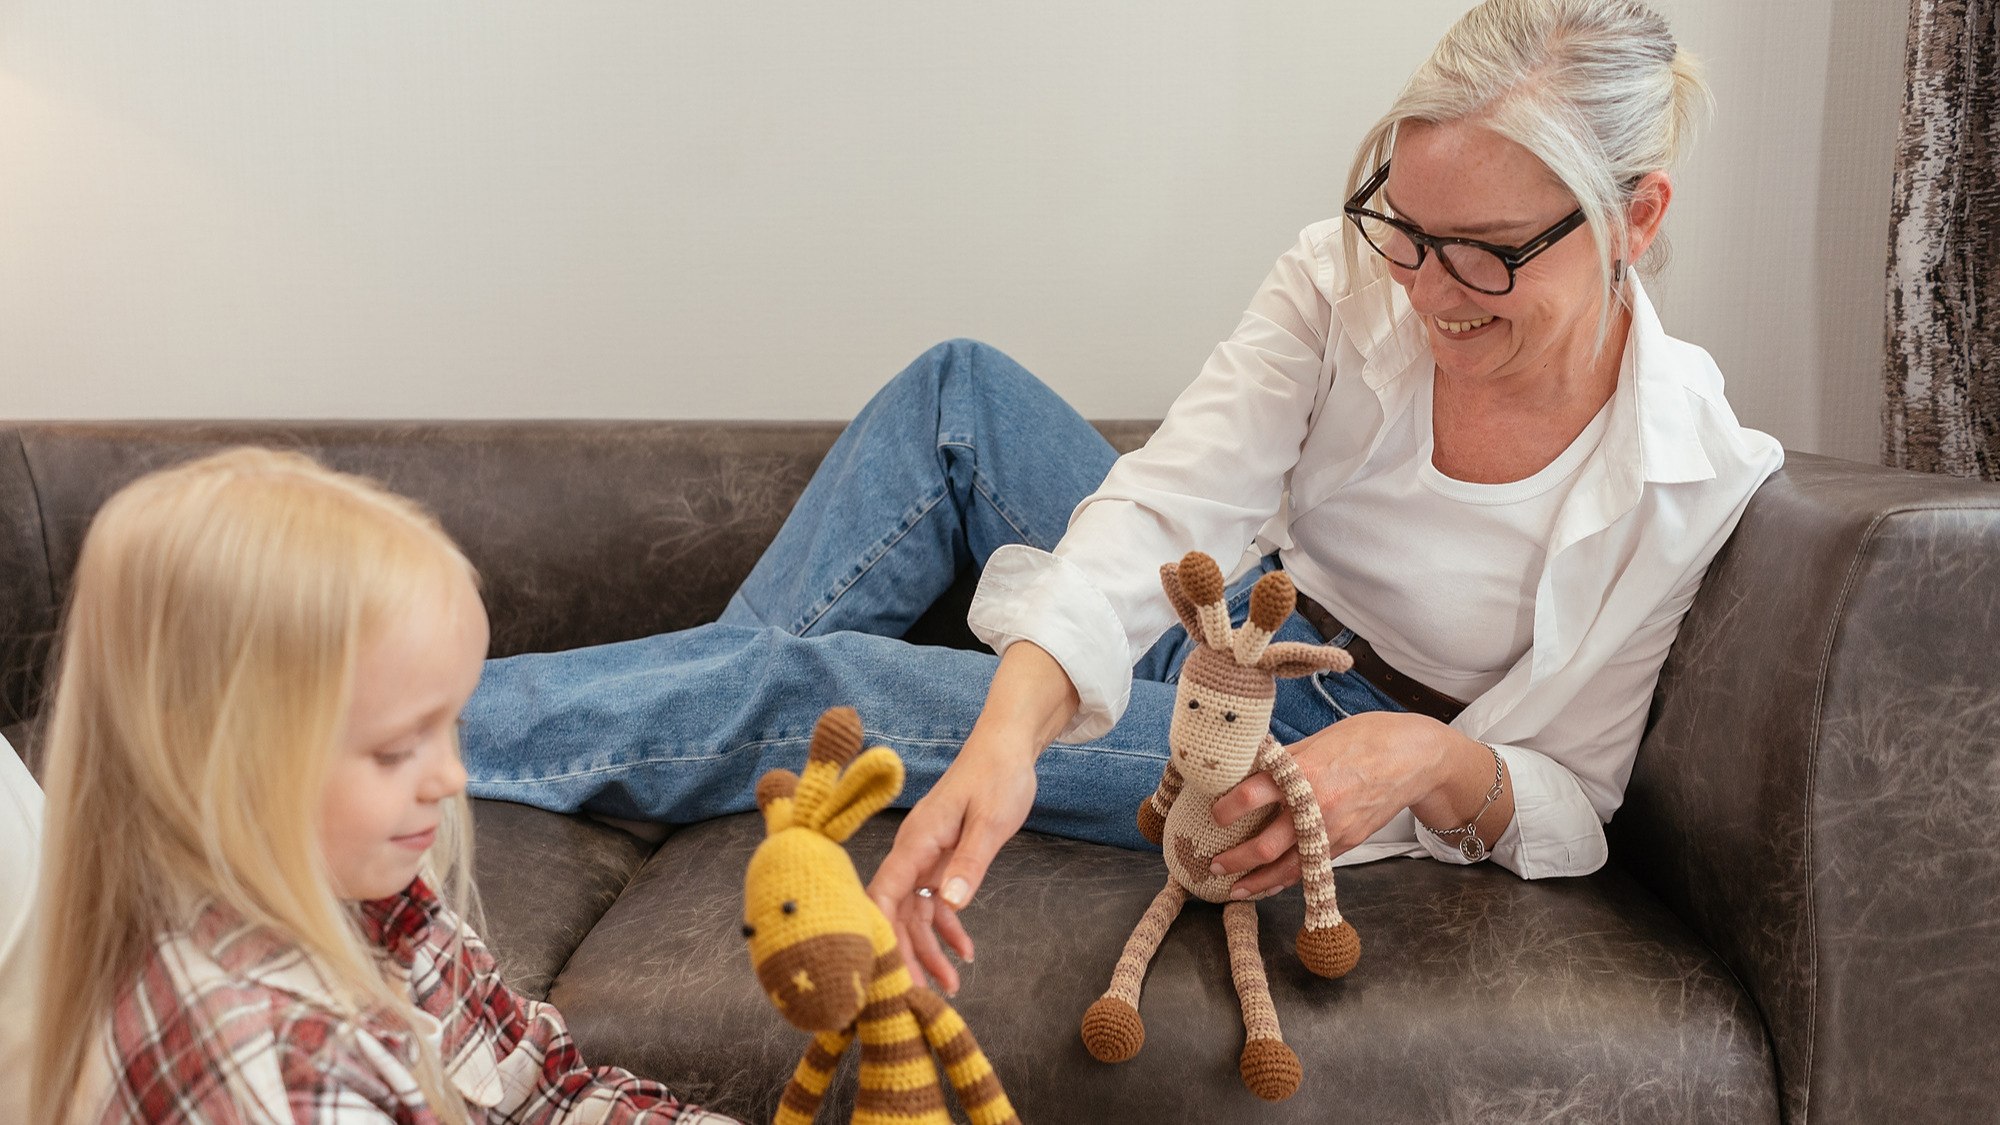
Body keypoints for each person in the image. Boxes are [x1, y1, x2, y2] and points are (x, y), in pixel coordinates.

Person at [460, 0, 1781, 998]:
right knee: (958, 394)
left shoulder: (1690, 473)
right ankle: (666, 746)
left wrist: (1428, 757)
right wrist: (1008, 733)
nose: (1430, 294)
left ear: (1636, 218)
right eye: (1410, 232)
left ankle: (378, 740)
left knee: (824, 689)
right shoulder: (1343, 280)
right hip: (1238, 614)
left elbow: (1573, 798)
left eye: (1485, 257)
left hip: (1316, 735)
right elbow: (1170, 508)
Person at [30, 449, 737, 1124]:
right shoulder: (265, 1070)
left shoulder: (384, 906)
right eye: (397, 748)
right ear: (214, 761)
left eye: (451, 724)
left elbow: (551, 1095)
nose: (452, 775)